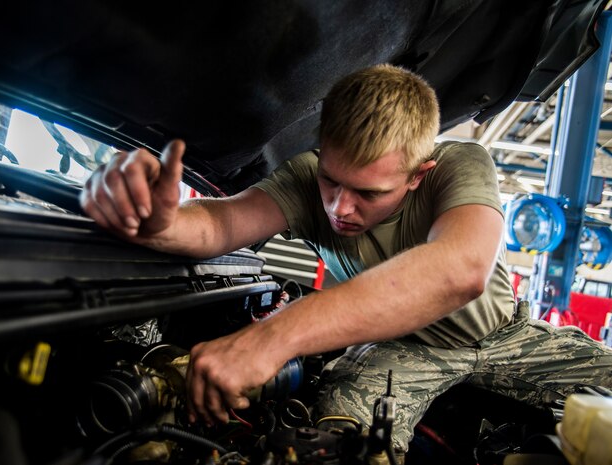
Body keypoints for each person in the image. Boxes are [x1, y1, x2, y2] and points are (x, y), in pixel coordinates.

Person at [81, 64, 612, 459]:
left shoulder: (461, 165)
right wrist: (158, 219)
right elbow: (221, 224)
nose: (339, 207)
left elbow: (460, 270)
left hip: (506, 335)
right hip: (400, 350)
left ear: (417, 175)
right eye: (331, 180)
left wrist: (270, 338)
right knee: (336, 445)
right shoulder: (303, 177)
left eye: (367, 192)